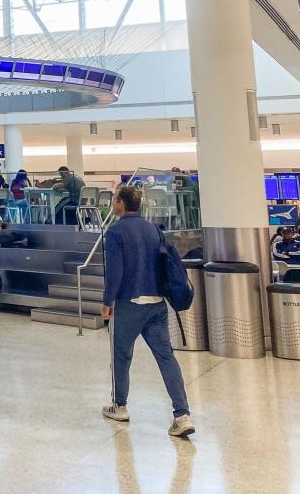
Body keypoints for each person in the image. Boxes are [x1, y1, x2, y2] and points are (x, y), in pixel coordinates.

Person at [100, 185, 194, 438]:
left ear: (121, 204)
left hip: (130, 302)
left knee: (121, 355)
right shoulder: (153, 229)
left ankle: (120, 405)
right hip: (157, 303)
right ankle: (182, 414)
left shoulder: (116, 231)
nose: (112, 204)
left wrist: (107, 301)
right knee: (166, 357)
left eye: (114, 199)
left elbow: (115, 272)